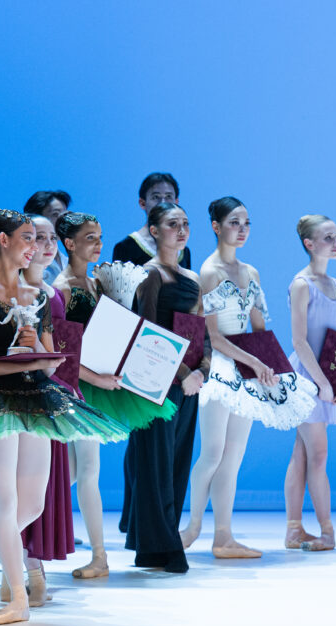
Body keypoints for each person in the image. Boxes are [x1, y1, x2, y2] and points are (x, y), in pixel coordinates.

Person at [0, 210, 128, 625]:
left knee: (33, 504)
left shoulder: (38, 296)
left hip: (36, 398)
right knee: (6, 503)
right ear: (3, 241)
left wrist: (39, 352)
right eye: (27, 238)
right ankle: (17, 598)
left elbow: (49, 359)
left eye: (37, 239)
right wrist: (28, 360)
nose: (35, 247)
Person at [181, 198, 317, 558]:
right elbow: (214, 337)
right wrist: (254, 362)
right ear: (215, 226)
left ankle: (223, 536)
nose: (241, 230)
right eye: (233, 222)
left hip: (248, 369)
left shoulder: (251, 272)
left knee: (234, 455)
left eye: (246, 223)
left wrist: (270, 366)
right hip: (221, 368)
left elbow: (258, 328)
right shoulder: (209, 272)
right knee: (212, 452)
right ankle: (192, 526)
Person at [53, 211, 176, 578]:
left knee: (70, 474)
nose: (99, 244)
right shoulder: (62, 288)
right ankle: (97, 556)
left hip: (99, 383)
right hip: (79, 387)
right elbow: (62, 353)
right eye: (90, 238)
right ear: (69, 243)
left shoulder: (96, 283)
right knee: (83, 471)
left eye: (100, 237)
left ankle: (8, 542)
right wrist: (98, 378)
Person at [0, 213, 75, 606]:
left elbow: (55, 356)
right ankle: (16, 571)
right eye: (35, 237)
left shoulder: (51, 295)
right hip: (6, 400)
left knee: (38, 495)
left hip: (46, 398)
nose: (44, 246)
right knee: (10, 497)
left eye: (50, 238)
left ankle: (16, 568)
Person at [125, 203, 209, 573]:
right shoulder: (150, 273)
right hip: (156, 381)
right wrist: (184, 372)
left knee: (177, 460)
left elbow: (202, 328)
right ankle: (166, 544)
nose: (182, 230)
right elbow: (147, 332)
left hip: (189, 382)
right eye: (173, 224)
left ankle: (153, 547)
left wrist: (202, 370)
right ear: (154, 231)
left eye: (186, 223)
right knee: (155, 462)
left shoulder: (192, 276)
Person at [284, 215, 336, 551]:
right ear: (309, 244)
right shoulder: (301, 284)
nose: (335, 243)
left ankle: (294, 530)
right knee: (318, 455)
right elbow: (299, 341)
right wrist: (322, 383)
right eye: (327, 238)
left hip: (325, 376)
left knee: (303, 454)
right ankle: (327, 532)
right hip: (306, 378)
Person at [111, 172, 192, 270]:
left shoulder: (183, 251)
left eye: (168, 196)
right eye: (156, 197)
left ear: (176, 202)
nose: (163, 203)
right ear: (142, 203)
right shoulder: (126, 247)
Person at [24, 189, 72, 282]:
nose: (63, 220)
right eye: (55, 214)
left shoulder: (68, 262)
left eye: (65, 214)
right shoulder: (24, 260)